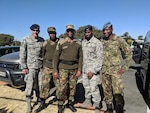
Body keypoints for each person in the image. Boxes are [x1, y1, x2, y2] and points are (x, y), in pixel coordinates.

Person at [100, 22, 132, 113]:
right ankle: (109, 109)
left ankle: (119, 110)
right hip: (105, 72)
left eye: (107, 29)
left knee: (118, 93)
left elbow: (128, 53)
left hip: (115, 72)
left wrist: (124, 68)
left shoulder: (118, 40)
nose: (105, 32)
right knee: (107, 92)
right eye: (104, 30)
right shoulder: (102, 41)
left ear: (111, 30)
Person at [53, 24, 83, 113]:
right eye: (68, 31)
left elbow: (81, 57)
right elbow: (56, 57)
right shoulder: (61, 42)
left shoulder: (78, 43)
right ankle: (60, 105)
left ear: (74, 32)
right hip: (63, 68)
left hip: (74, 68)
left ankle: (70, 103)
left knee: (72, 87)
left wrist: (79, 69)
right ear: (66, 32)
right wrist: (55, 70)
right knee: (62, 88)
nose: (70, 32)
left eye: (71, 31)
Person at [20, 24, 44, 113]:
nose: (35, 32)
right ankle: (29, 104)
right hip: (30, 67)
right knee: (29, 86)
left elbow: (43, 54)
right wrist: (24, 66)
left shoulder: (41, 40)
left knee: (40, 85)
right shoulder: (26, 39)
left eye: (37, 30)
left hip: (40, 66)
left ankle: (39, 99)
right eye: (34, 30)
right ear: (31, 30)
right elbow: (22, 54)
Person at [35, 26, 59, 112]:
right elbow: (42, 54)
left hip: (57, 68)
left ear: (55, 33)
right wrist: (44, 65)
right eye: (50, 33)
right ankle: (42, 103)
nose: (51, 34)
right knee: (45, 85)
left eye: (53, 33)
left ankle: (60, 104)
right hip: (47, 67)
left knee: (59, 86)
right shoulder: (45, 43)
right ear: (48, 34)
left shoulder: (59, 42)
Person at [80, 25, 103, 113]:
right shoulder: (84, 42)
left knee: (94, 88)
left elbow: (100, 58)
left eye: (89, 32)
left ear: (92, 32)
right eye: (86, 32)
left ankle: (97, 104)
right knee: (86, 86)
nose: (87, 34)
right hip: (85, 69)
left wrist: (93, 71)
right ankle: (88, 101)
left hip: (93, 70)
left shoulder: (97, 43)